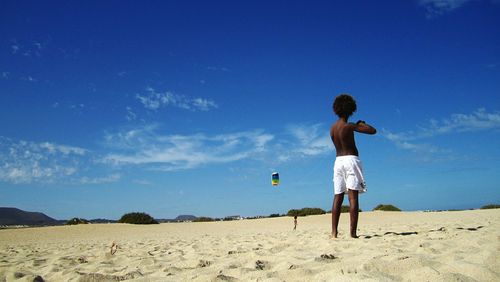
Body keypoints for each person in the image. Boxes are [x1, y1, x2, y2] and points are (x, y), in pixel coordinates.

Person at [330, 94, 376, 238]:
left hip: (338, 161)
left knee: (337, 196)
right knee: (353, 198)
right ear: (351, 109)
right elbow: (372, 131)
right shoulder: (349, 126)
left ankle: (334, 232)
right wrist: (362, 123)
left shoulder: (332, 128)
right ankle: (353, 233)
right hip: (351, 161)